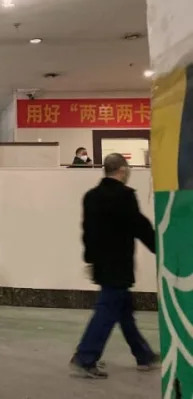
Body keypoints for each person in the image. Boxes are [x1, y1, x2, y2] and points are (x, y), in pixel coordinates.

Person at [70, 153, 159, 378]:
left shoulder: (91, 196)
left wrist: (90, 260)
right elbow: (139, 225)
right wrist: (160, 248)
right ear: (122, 170)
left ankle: (144, 355)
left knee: (123, 310)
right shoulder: (125, 196)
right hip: (119, 265)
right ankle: (85, 357)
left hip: (101, 264)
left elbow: (87, 232)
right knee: (108, 310)